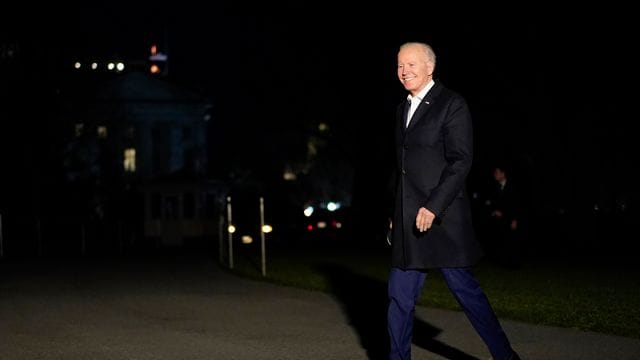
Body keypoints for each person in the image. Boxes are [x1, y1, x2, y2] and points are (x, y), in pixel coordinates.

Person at [386, 42, 520, 360]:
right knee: (399, 297)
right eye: (399, 65)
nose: (404, 71)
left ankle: (505, 356)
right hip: (408, 220)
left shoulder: (451, 104)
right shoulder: (402, 108)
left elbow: (461, 161)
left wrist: (433, 206)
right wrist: (395, 210)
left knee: (467, 294)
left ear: (430, 67)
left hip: (442, 219)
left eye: (411, 65)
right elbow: (401, 166)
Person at [485, 164, 523, 268]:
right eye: (494, 173)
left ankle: (514, 264)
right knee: (500, 241)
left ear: (503, 174)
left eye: (497, 173)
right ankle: (502, 263)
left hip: (509, 219)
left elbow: (516, 204)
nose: (495, 175)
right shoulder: (495, 187)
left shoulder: (512, 187)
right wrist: (493, 211)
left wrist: (515, 219)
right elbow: (490, 203)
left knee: (512, 241)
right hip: (498, 220)